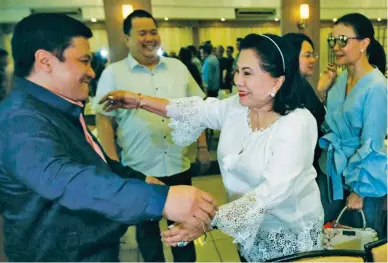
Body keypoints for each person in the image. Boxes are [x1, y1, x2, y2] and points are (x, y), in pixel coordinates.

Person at [0, 13, 217, 261]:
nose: (91, 72)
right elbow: (68, 179)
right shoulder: (20, 119)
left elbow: (91, 162)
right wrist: (160, 199)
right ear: (45, 61)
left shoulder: (54, 108)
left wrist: (139, 179)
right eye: (84, 61)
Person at [100, 33, 324, 262]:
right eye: (238, 71)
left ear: (277, 80)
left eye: (247, 73)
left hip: (288, 235)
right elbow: (195, 110)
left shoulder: (297, 122)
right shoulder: (238, 107)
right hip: (247, 229)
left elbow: (272, 193)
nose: (237, 80)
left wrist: (208, 221)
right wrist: (140, 100)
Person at [93, 10, 210, 262]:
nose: (149, 38)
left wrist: (202, 147)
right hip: (141, 168)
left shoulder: (178, 68)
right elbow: (103, 119)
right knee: (147, 234)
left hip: (179, 164)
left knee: (183, 229)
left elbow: (197, 109)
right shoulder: (113, 73)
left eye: (153, 31)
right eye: (141, 33)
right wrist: (113, 162)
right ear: (126, 39)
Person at [315, 13, 387, 238]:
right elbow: (334, 123)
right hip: (333, 171)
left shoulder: (376, 87)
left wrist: (359, 191)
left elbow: (373, 144)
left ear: (364, 43)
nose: (335, 47)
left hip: (362, 179)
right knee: (331, 239)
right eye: (332, 40)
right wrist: (322, 92)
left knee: (360, 241)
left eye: (343, 40)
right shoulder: (339, 80)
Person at [283, 33, 326, 169]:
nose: (313, 60)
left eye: (313, 55)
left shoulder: (301, 83)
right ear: (292, 56)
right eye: (307, 55)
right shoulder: (286, 89)